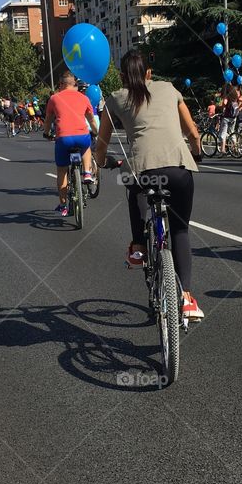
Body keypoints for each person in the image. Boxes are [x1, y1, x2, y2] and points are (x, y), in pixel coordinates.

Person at [95, 51, 205, 321]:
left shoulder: (116, 98)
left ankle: (138, 248)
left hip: (141, 171)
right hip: (178, 170)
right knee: (179, 230)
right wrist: (197, 150)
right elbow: (192, 131)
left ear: (122, 76)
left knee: (134, 189)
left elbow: (101, 141)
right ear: (149, 73)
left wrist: (101, 162)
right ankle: (187, 298)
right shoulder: (169, 89)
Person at [44, 71, 97, 217]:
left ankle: (63, 206)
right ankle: (87, 172)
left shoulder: (54, 98)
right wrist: (95, 131)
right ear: (74, 84)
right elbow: (91, 119)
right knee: (86, 147)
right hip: (81, 136)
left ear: (61, 84)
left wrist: (46, 133)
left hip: (63, 138)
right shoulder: (84, 97)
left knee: (62, 171)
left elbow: (48, 120)